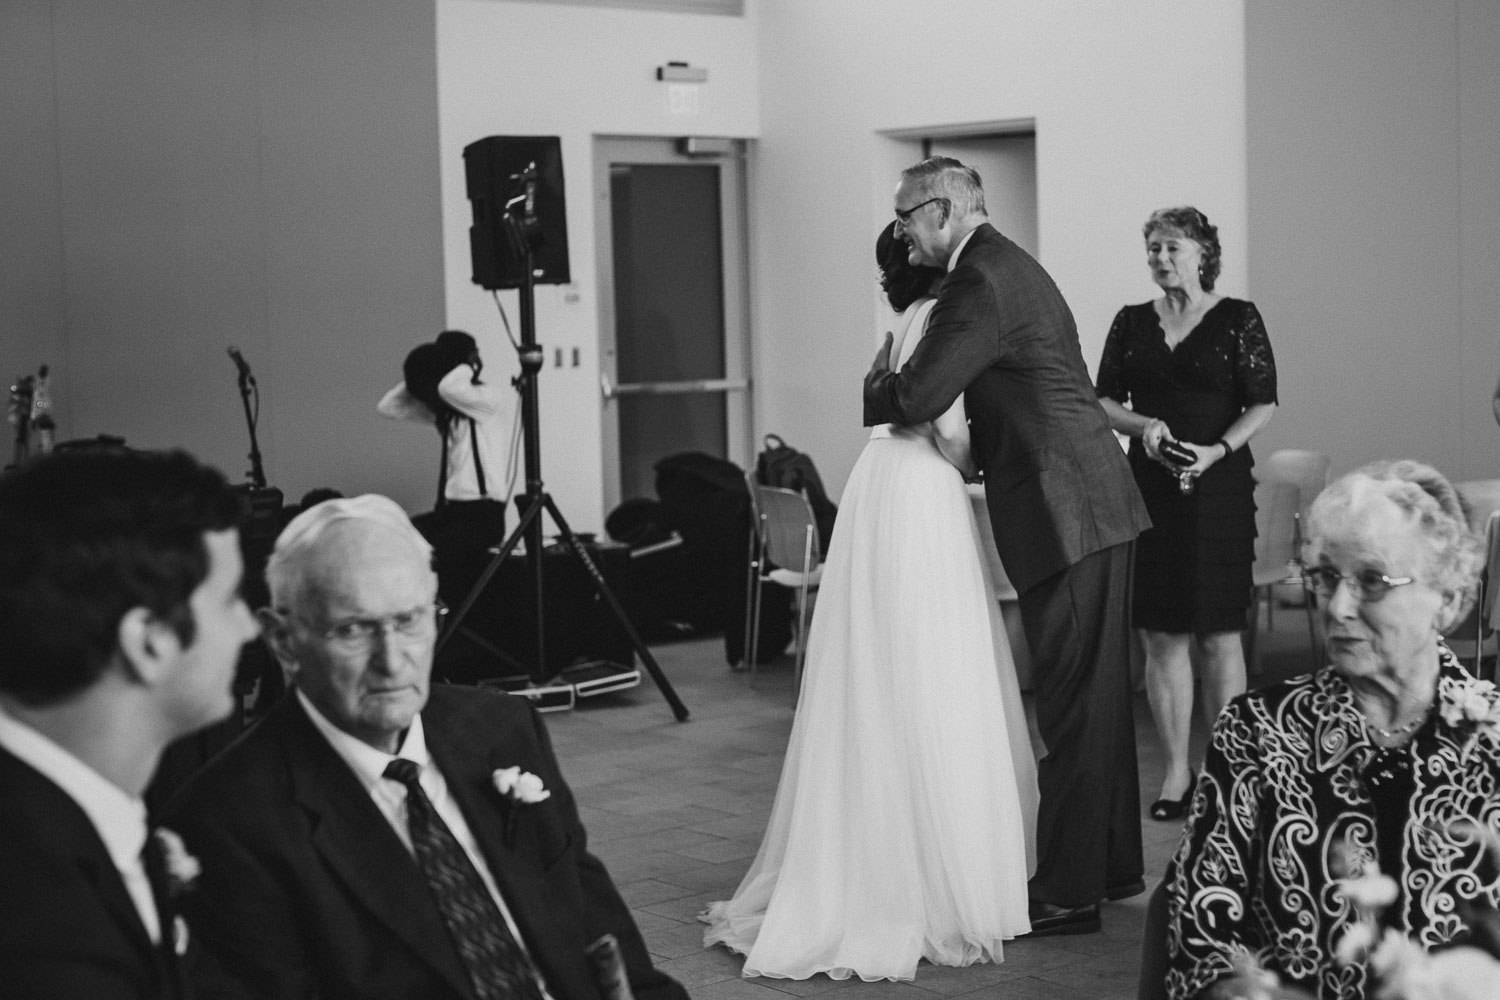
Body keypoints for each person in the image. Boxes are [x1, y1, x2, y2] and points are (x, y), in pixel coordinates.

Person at [163, 494, 688, 1000]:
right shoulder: (229, 821)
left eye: (409, 620)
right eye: (353, 630)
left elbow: (596, 920)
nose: (393, 661)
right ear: (282, 640)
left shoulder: (502, 727)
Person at [701, 223, 1038, 980]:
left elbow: (894, 404)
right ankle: (944, 865)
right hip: (922, 485)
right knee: (938, 659)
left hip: (878, 482)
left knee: (880, 661)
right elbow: (944, 426)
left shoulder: (897, 326)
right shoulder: (946, 318)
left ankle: (862, 848)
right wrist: (976, 462)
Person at [864, 155, 1152, 936]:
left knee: (1070, 705)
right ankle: (1111, 867)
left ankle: (1065, 892)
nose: (900, 232)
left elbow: (920, 393)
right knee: (1095, 701)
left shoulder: (978, 281)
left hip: (1070, 510)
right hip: (1087, 502)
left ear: (944, 210)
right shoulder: (1009, 265)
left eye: (905, 217)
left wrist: (874, 382)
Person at [1162, 460, 1499, 1000]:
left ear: (1451, 601)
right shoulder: (1257, 732)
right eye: (1324, 577)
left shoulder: (1494, 741)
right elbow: (1200, 943)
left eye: (1371, 581)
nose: (1338, 607)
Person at [0, 447, 260, 998]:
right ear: (150, 641)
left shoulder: (75, 815)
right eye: (231, 599)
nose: (249, 628)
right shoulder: (40, 931)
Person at [1094, 206, 1278, 822]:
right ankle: (1177, 771)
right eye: (1152, 249)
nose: (1161, 258)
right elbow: (1100, 401)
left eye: (1171, 247)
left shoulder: (1237, 319)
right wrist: (1143, 427)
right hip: (1149, 486)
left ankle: (1229, 772)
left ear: (1203, 252)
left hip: (1219, 484)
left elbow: (1262, 403)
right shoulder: (1130, 322)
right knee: (1162, 630)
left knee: (1219, 633)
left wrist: (1216, 450)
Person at [379, 328, 516, 556]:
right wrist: (419, 375)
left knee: (419, 544)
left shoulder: (488, 401)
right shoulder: (448, 412)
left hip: (483, 515)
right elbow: (388, 407)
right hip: (451, 511)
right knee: (400, 534)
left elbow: (450, 388)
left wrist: (464, 364)